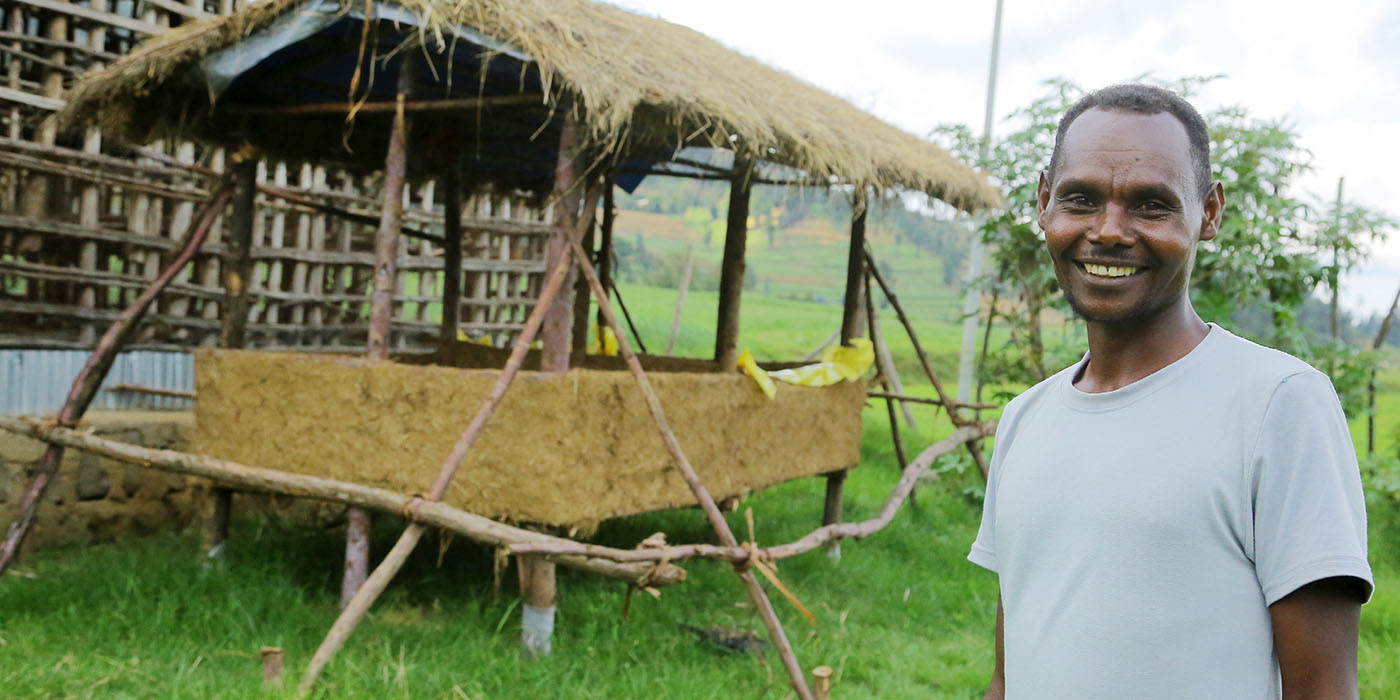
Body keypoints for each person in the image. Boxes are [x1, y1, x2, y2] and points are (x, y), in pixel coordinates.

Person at [969, 84, 1373, 700]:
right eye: (1081, 199)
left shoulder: (1279, 405)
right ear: (1045, 204)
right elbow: (1009, 672)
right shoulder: (1025, 419)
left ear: (1208, 213)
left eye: (1150, 205)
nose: (1108, 231)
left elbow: (1324, 688)